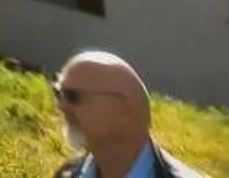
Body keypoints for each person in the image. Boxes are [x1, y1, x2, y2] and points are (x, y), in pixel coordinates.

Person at [52, 52, 211, 178]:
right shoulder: (66, 174)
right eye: (58, 93)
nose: (61, 105)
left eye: (73, 96)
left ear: (125, 109)